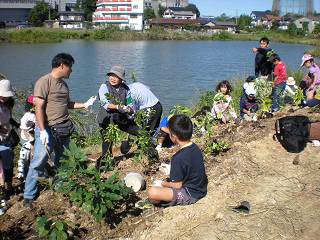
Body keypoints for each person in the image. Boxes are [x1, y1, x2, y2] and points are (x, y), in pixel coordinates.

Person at [23, 53, 97, 207]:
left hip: (63, 128)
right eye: (70, 66)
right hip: (48, 129)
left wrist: (85, 104)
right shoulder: (44, 82)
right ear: (62, 65)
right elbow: (39, 107)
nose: (71, 70)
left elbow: (67, 104)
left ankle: (60, 187)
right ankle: (28, 196)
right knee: (38, 161)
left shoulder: (63, 84)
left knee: (62, 161)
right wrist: (42, 130)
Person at [136, 114, 208, 209]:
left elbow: (177, 185)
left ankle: (156, 203)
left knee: (152, 192)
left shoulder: (178, 157)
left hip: (189, 194)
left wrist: (162, 183)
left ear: (173, 136)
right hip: (200, 189)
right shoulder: (195, 147)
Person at [97, 66, 140, 161]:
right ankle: (105, 163)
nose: (113, 78)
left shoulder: (126, 89)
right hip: (106, 119)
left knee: (140, 132)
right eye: (111, 76)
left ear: (121, 79)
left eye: (116, 76)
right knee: (107, 143)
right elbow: (105, 104)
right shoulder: (104, 87)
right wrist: (118, 107)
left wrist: (130, 110)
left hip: (120, 118)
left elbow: (129, 102)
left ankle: (143, 149)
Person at [0, 79, 16, 202]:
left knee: (8, 163)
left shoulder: (8, 105)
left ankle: (9, 187)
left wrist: (18, 125)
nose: (2, 97)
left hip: (6, 139)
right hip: (2, 136)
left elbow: (9, 119)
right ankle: (2, 191)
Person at [17, 95, 36, 181]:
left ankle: (30, 175)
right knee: (24, 156)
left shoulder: (37, 115)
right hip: (26, 139)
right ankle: (21, 174)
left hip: (34, 139)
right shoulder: (26, 116)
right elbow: (24, 130)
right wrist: (30, 139)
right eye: (33, 105)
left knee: (33, 157)